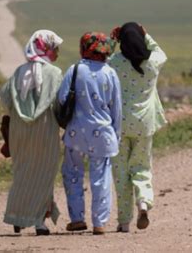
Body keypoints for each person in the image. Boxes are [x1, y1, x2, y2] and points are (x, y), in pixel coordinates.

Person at [0, 30, 64, 236]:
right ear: (46, 48)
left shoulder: (18, 72)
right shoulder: (54, 73)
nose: (57, 52)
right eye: (55, 48)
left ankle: (18, 215)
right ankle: (39, 222)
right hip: (45, 129)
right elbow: (59, 103)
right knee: (43, 175)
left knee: (23, 173)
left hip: (19, 131)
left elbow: (6, 100)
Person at [58, 32, 121, 235]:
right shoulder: (110, 73)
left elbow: (61, 98)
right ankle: (99, 222)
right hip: (102, 133)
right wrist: (116, 135)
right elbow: (116, 108)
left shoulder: (75, 69)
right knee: (101, 177)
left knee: (72, 174)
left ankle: (77, 218)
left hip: (76, 132)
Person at [109, 22, 167, 233]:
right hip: (144, 124)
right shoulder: (153, 62)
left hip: (120, 124)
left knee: (121, 171)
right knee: (142, 167)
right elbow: (161, 52)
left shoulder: (115, 62)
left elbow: (100, 60)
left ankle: (124, 222)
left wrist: (112, 41)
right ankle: (143, 202)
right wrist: (146, 34)